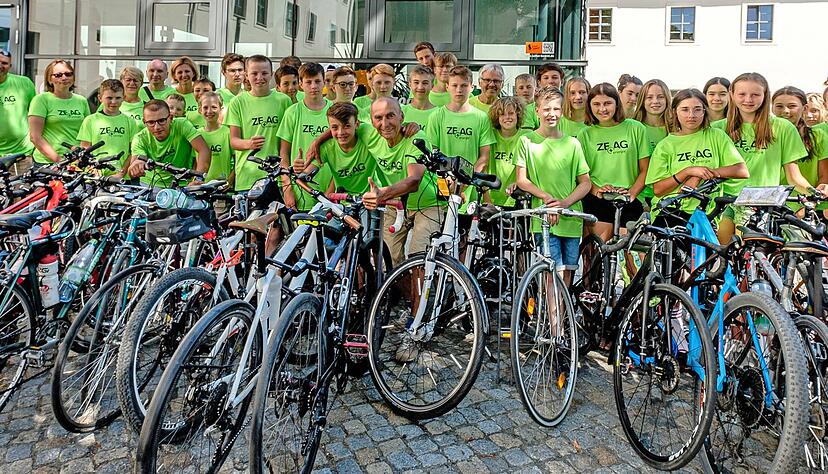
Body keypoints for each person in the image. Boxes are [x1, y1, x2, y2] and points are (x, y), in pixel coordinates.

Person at [713, 73, 813, 244]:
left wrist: (813, 193)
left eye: (755, 95)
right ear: (732, 94)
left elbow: (793, 176)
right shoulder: (717, 129)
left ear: (766, 95)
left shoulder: (783, 128)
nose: (748, 99)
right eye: (742, 94)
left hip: (761, 201)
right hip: (724, 200)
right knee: (723, 257)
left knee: (749, 254)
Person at [515, 87, 591, 282]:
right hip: (543, 219)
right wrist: (547, 199)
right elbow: (522, 179)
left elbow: (585, 183)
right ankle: (553, 314)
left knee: (567, 274)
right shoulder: (526, 141)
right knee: (551, 274)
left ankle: (561, 312)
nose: (552, 114)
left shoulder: (572, 144)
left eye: (556, 109)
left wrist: (564, 204)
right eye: (547, 109)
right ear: (537, 111)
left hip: (570, 218)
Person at [646, 88, 748, 222]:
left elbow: (741, 171)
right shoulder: (665, 145)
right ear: (675, 111)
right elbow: (658, 190)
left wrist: (699, 176)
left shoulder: (716, 136)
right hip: (671, 211)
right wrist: (687, 172)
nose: (691, 115)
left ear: (705, 111)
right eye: (685, 109)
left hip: (706, 212)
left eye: (697, 109)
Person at [577, 82, 649, 242]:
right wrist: (597, 190)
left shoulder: (635, 128)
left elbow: (645, 169)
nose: (602, 109)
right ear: (589, 106)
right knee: (599, 251)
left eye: (607, 103)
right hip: (597, 197)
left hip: (629, 198)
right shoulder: (585, 134)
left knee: (631, 255)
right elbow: (581, 173)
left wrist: (632, 193)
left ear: (617, 104)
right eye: (596, 104)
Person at [225, 55, 292, 192]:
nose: (259, 78)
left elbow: (289, 141)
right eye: (254, 73)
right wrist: (249, 144)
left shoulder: (284, 101)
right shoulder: (237, 102)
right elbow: (234, 141)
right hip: (248, 178)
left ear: (272, 75)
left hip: (278, 177)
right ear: (246, 75)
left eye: (264, 73)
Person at [278, 62, 333, 210]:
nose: (313, 86)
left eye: (317, 81)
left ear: (324, 83)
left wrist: (332, 190)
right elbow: (283, 153)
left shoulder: (335, 111)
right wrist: (287, 188)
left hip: (330, 189)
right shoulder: (292, 112)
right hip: (300, 190)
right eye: (308, 82)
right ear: (301, 84)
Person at [126, 99, 210, 187]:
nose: (157, 127)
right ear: (144, 122)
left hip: (182, 184)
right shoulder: (140, 138)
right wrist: (135, 167)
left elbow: (204, 150)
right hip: (149, 185)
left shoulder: (182, 125)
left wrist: (198, 180)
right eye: (151, 122)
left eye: (162, 120)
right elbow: (134, 166)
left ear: (170, 118)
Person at [298, 102, 376, 194]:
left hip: (371, 198)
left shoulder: (367, 140)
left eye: (347, 126)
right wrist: (299, 170)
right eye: (335, 127)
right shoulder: (327, 147)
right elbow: (301, 177)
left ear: (357, 124)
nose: (341, 132)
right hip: (342, 202)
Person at [28, 59, 90, 165]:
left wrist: (81, 157)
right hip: (47, 163)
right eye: (58, 75)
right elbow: (35, 137)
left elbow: (88, 133)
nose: (64, 77)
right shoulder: (41, 100)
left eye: (68, 74)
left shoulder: (81, 101)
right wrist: (59, 161)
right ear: (49, 79)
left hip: (75, 162)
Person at [772, 86, 828, 198]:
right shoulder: (763, 136)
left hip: (805, 200)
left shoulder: (817, 135)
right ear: (771, 108)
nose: (785, 111)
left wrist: (811, 199)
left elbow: (824, 176)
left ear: (804, 108)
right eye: (779, 106)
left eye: (792, 106)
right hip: (770, 202)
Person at [77, 79, 139, 176]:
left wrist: (121, 172)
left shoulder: (129, 122)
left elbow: (133, 151)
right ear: (100, 98)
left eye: (118, 98)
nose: (113, 102)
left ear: (124, 97)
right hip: (95, 176)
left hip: (120, 177)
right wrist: (92, 170)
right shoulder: (90, 120)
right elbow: (85, 150)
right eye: (109, 98)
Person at [631, 79, 672, 206]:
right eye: (649, 97)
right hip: (639, 196)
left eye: (660, 97)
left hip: (668, 196)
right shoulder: (632, 128)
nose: (655, 101)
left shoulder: (676, 128)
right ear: (642, 100)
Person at [487, 96, 529, 207]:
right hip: (490, 198)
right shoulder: (490, 135)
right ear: (497, 117)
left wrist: (520, 182)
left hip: (516, 198)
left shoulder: (527, 136)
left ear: (518, 115)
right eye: (502, 114)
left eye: (511, 113)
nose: (507, 117)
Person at [0, 48, 36, 175]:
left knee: (22, 193)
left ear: (10, 65)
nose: (0, 66)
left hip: (21, 155)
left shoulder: (24, 83)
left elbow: (35, 115)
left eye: (4, 63)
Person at [196, 91, 233, 184]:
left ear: (221, 109)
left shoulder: (228, 132)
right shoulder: (197, 135)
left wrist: (230, 180)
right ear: (200, 110)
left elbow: (237, 161)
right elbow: (194, 162)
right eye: (205, 107)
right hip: (202, 186)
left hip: (222, 186)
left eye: (214, 107)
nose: (209, 111)